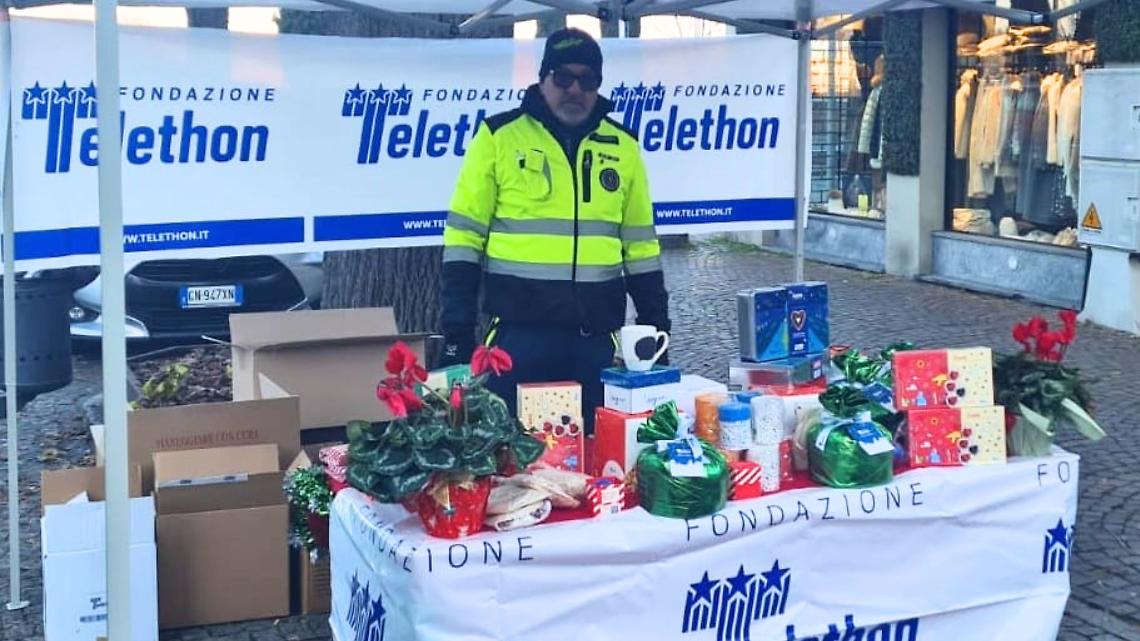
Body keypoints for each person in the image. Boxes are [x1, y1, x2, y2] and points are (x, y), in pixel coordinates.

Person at [438, 27, 670, 427]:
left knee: (599, 454)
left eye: (587, 79)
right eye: (563, 77)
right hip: (517, 337)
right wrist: (457, 329)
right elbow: (464, 240)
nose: (574, 89)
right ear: (543, 79)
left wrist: (656, 329)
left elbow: (641, 249)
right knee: (509, 457)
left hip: (595, 339)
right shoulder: (498, 137)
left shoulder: (623, 146)